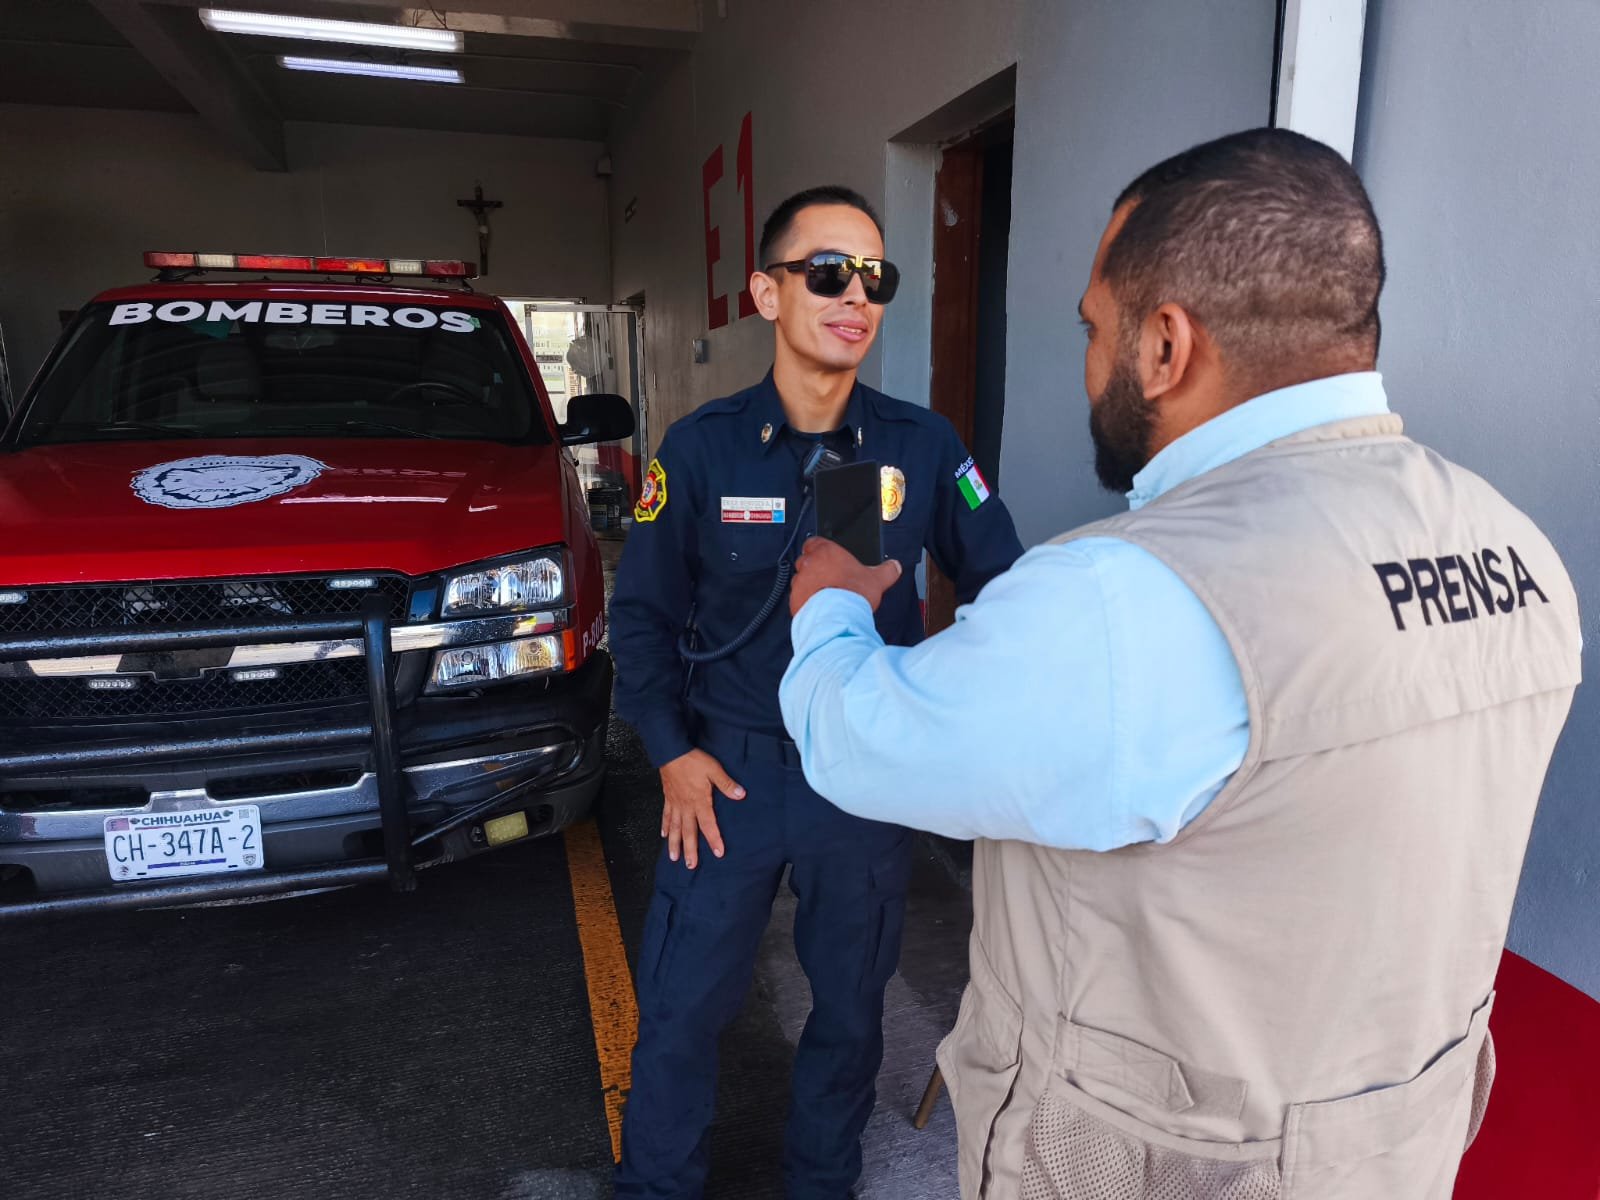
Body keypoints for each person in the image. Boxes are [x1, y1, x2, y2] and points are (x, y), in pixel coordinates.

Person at [778, 129, 1582, 1200]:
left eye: (1094, 328)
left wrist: (831, 605)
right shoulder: (1513, 548)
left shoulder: (1128, 596)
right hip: (1393, 1161)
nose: (1088, 362)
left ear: (1165, 345)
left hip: (1154, 1169)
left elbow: (859, 738)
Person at [609, 184, 1023, 1199]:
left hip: (864, 784)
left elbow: (1006, 592)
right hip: (727, 777)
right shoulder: (701, 448)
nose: (856, 297)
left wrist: (940, 722)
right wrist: (670, 752)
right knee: (680, 1010)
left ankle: (821, 1184)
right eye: (828, 272)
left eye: (874, 277)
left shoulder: (923, 446)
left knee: (848, 1014)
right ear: (767, 292)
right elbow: (642, 617)